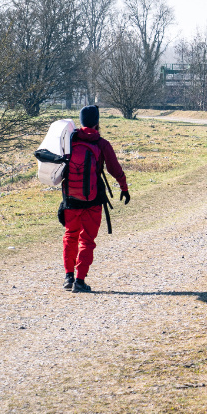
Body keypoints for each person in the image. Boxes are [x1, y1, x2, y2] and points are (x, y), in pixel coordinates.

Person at [62, 105, 130, 293]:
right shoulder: (101, 143)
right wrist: (124, 187)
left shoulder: (69, 140)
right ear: (97, 122)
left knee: (70, 236)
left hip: (70, 198)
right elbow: (114, 169)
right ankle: (80, 280)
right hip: (93, 199)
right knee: (87, 240)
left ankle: (68, 277)